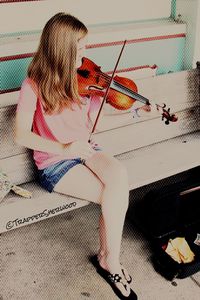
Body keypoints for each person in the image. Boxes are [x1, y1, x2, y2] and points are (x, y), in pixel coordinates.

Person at [15, 12, 137, 300]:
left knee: (118, 177)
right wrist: (64, 149)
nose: (85, 53)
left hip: (87, 149)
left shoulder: (82, 81)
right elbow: (20, 134)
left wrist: (122, 106)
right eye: (80, 47)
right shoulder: (33, 86)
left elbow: (96, 127)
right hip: (55, 163)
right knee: (112, 194)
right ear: (61, 48)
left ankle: (108, 258)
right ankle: (111, 262)